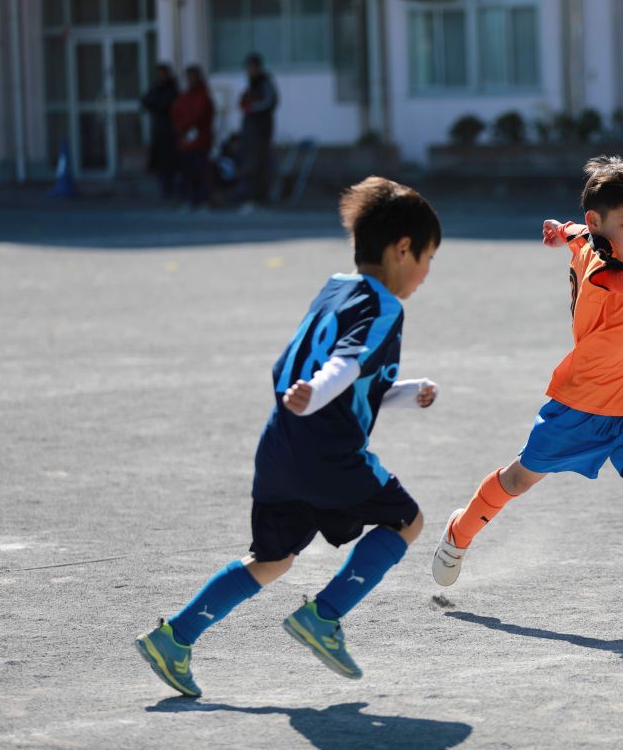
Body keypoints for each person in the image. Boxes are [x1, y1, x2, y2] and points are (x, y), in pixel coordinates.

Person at [134, 177, 442, 697]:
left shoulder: (334, 289)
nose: (427, 272)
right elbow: (344, 366)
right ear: (402, 247)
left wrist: (408, 392)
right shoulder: (384, 306)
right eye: (427, 257)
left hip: (280, 446)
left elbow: (341, 380)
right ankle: (325, 615)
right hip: (328, 451)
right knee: (406, 520)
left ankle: (175, 637)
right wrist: (317, 392)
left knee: (272, 559)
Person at [432, 156, 623, 594]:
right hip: (582, 405)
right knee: (518, 478)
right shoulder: (603, 269)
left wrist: (560, 231)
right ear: (599, 221)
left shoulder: (591, 237)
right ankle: (459, 532)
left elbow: (576, 231)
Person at [170, 65, 215, 211]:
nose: (190, 80)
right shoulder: (184, 97)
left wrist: (185, 125)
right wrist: (180, 127)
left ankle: (203, 200)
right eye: (188, 77)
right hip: (186, 140)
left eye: (193, 77)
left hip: (200, 140)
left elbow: (200, 115)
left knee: (201, 171)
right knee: (187, 171)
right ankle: (190, 199)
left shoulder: (203, 96)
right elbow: (175, 112)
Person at [238, 52, 279, 211]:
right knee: (250, 163)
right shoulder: (248, 84)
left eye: (252, 67)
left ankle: (258, 197)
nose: (250, 70)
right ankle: (252, 196)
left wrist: (252, 107)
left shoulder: (265, 82)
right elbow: (243, 102)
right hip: (250, 129)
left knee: (258, 164)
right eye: (248, 68)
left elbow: (270, 101)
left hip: (261, 130)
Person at [141, 63, 180, 200]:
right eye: (159, 74)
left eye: (163, 74)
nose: (161, 77)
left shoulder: (172, 88)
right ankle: (164, 187)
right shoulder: (156, 87)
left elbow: (166, 104)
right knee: (160, 161)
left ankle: (171, 187)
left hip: (170, 130)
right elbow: (146, 101)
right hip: (159, 129)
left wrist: (157, 104)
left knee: (170, 160)